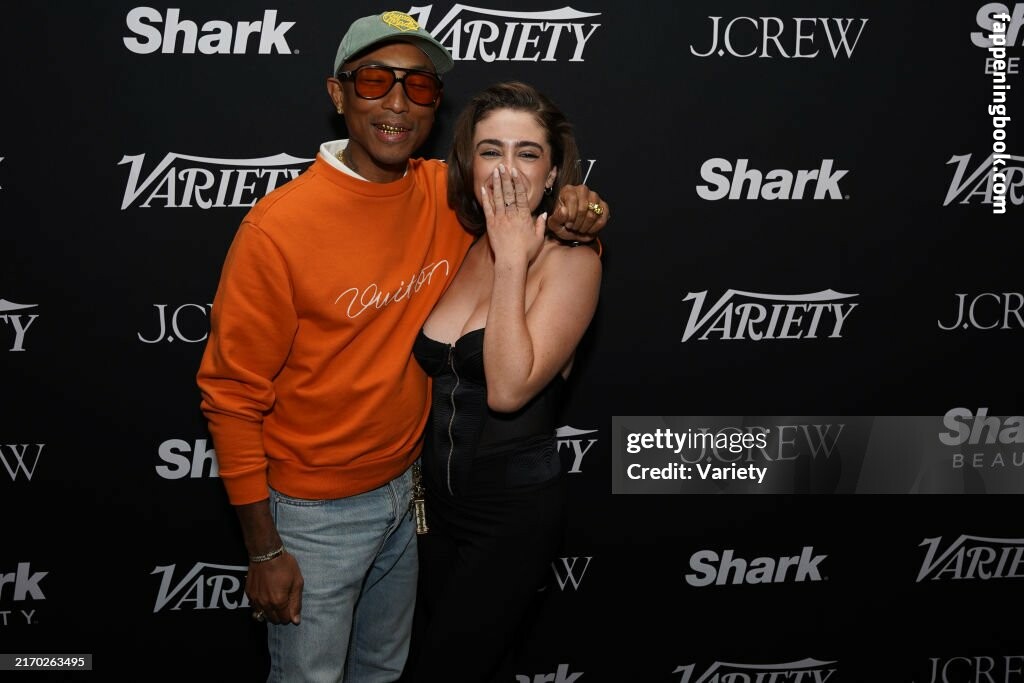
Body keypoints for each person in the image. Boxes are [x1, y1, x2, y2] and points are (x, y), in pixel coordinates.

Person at [195, 10, 609, 683]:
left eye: (417, 86)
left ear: (435, 105)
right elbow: (231, 394)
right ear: (338, 94)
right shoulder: (279, 227)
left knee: (388, 671)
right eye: (374, 81)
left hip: (409, 500)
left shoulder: (445, 198)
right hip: (318, 514)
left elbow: (545, 206)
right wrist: (264, 548)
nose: (396, 103)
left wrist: (581, 208)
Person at [405, 82, 602, 683]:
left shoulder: (574, 260)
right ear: (469, 164)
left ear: (553, 174)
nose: (507, 169)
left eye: (527, 153)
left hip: (509, 517)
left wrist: (514, 256)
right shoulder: (461, 245)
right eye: (490, 150)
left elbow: (508, 390)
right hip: (432, 513)